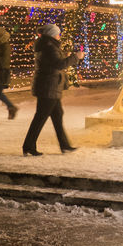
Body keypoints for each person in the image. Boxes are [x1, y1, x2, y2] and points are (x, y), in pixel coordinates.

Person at [22, 24, 85, 156]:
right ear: (52, 34)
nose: (59, 36)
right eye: (57, 33)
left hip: (50, 87)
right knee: (40, 117)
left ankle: (64, 145)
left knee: (57, 115)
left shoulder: (47, 45)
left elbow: (54, 62)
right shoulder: (49, 47)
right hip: (48, 87)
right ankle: (28, 145)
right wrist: (75, 57)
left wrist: (66, 57)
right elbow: (59, 64)